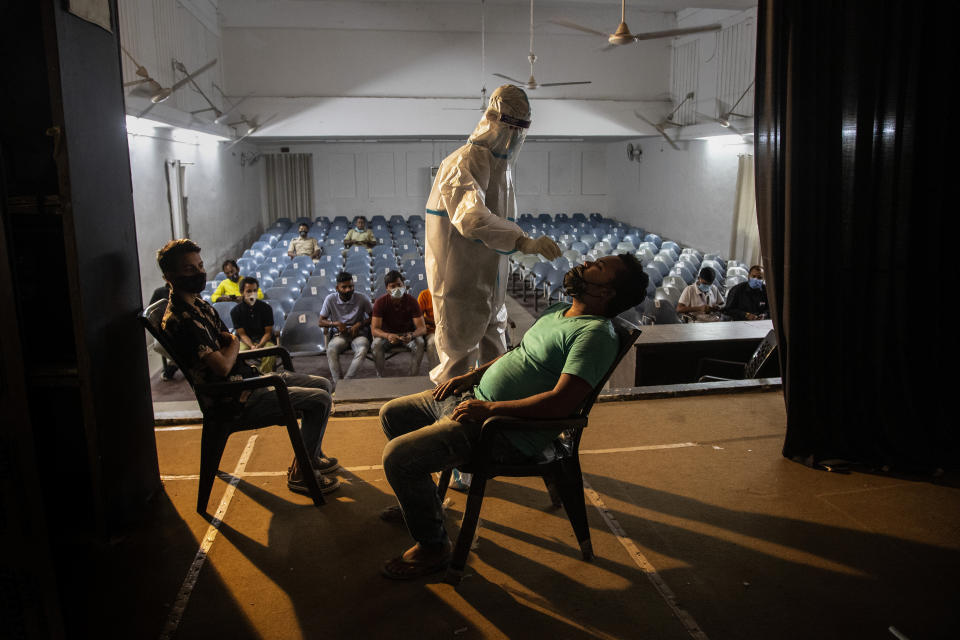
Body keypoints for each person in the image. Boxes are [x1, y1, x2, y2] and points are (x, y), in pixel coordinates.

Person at [378, 254, 648, 579]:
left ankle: (434, 548)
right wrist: (472, 377)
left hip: (501, 431)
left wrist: (490, 409)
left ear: (606, 293)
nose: (587, 264)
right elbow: (517, 353)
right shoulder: (556, 312)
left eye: (598, 268)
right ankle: (421, 504)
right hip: (474, 401)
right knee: (392, 414)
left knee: (399, 459)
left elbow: (561, 404)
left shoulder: (594, 336)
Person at [157, 239, 340, 495]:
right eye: (189, 269)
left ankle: (311, 455)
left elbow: (226, 340)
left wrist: (229, 343)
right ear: (169, 277)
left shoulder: (199, 305)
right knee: (320, 399)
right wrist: (232, 343)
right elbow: (221, 365)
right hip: (234, 397)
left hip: (246, 380)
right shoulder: (181, 318)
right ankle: (302, 472)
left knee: (322, 384)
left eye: (200, 265)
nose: (199, 272)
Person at [424, 84, 562, 386]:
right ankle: (449, 423)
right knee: (458, 360)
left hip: (490, 280)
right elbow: (472, 218)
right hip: (459, 280)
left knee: (496, 360)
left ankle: (494, 410)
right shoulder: (461, 163)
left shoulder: (502, 168)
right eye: (511, 128)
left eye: (521, 130)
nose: (514, 139)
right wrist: (523, 241)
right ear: (494, 121)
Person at [319, 272, 374, 381]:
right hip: (340, 335)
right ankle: (338, 381)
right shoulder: (330, 299)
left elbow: (374, 317)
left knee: (362, 349)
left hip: (359, 334)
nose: (348, 289)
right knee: (331, 350)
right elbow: (321, 321)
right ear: (337, 288)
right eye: (344, 287)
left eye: (350, 286)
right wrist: (336, 323)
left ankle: (347, 381)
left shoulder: (362, 298)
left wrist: (360, 324)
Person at [371, 270, 427, 377]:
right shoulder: (380, 303)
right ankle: (381, 376)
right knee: (376, 345)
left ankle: (413, 376)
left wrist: (412, 335)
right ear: (387, 288)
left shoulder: (412, 301)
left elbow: (422, 328)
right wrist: (387, 335)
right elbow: (375, 329)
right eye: (393, 286)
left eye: (399, 285)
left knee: (420, 342)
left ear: (404, 285)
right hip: (387, 336)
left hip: (407, 335)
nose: (397, 289)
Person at [230, 276, 277, 373]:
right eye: (249, 291)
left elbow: (268, 332)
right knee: (239, 353)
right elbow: (242, 334)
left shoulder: (266, 308)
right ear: (242, 292)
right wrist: (252, 346)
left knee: (270, 351)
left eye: (255, 290)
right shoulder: (235, 311)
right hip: (246, 341)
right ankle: (249, 376)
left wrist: (259, 346)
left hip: (264, 340)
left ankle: (265, 377)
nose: (252, 294)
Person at [149, 282, 179, 380]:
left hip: (182, 327)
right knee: (158, 346)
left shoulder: (184, 290)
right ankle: (176, 363)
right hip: (164, 329)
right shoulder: (159, 292)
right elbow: (151, 313)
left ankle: (174, 365)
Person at [416, 288, 439, 371]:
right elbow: (419, 317)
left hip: (450, 329)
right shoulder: (424, 294)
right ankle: (435, 371)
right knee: (432, 343)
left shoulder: (449, 293)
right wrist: (436, 323)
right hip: (433, 331)